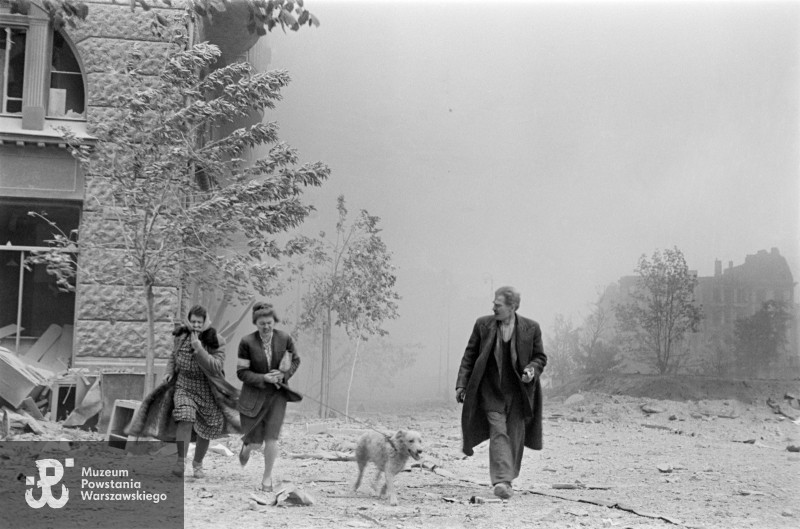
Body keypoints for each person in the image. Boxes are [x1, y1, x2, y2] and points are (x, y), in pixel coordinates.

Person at [127, 304, 240, 479]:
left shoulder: (216, 340)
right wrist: (169, 372)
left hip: (207, 388)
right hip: (184, 385)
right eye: (193, 322)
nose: (195, 326)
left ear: (205, 322)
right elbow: (173, 356)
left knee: (207, 427)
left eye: (199, 323)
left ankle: (198, 464)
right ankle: (180, 462)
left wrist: (199, 348)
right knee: (185, 417)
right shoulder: (181, 336)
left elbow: (216, 367)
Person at [455, 286, 547, 499]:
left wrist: (532, 370)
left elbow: (540, 357)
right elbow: (469, 356)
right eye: (493, 304)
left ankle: (508, 477)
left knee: (514, 436)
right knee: (498, 433)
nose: (493, 308)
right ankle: (502, 481)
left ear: (512, 307)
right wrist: (462, 384)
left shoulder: (531, 328)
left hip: (519, 393)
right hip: (490, 391)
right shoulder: (482, 325)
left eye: (498, 305)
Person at [237, 302, 302, 491]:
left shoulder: (285, 339)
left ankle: (267, 478)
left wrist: (284, 376)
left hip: (277, 396)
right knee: (256, 442)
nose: (266, 327)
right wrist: (263, 378)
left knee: (272, 438)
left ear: (275, 321)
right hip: (253, 397)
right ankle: (247, 447)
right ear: (255, 324)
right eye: (262, 323)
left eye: (269, 323)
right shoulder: (246, 342)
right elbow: (242, 372)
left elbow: (295, 361)